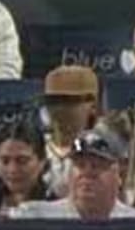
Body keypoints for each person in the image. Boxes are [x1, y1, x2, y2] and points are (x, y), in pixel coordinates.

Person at [6, 126, 135, 218]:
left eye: (97, 165)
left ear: (120, 174)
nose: (87, 172)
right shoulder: (33, 217)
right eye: (80, 165)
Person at [38, 63, 103, 194]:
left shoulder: (105, 148)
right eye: (53, 100)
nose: (60, 108)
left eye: (70, 100)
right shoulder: (31, 146)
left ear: (93, 106)